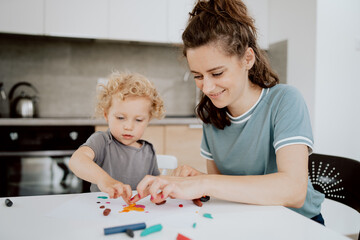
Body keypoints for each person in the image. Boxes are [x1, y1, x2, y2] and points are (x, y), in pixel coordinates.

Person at [131, 0, 325, 224]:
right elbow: (227, 190)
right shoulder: (212, 115)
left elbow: (293, 191)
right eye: (198, 76)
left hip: (298, 224)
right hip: (248, 221)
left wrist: (205, 183)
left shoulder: (285, 101)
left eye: (217, 73)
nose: (207, 87)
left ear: (248, 59)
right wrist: (200, 181)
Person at [69, 72, 165, 203]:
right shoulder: (101, 141)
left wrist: (159, 195)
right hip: (102, 209)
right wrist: (104, 180)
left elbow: (154, 186)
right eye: (120, 118)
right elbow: (77, 160)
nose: (129, 126)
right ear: (106, 115)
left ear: (148, 120)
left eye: (138, 119)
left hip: (136, 213)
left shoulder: (148, 150)